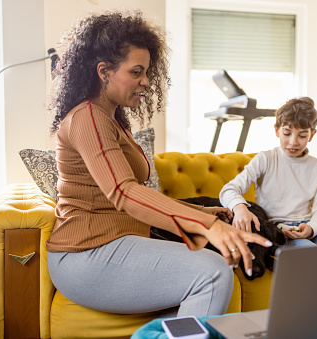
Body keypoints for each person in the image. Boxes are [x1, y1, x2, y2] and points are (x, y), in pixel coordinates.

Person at [45, 11, 272, 318]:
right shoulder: (88, 118)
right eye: (136, 72)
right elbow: (124, 192)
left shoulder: (109, 119)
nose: (146, 81)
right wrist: (208, 225)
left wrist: (201, 212)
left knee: (210, 270)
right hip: (85, 254)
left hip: (113, 242)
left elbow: (129, 194)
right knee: (213, 272)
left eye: (147, 72)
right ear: (104, 71)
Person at [219, 97, 317, 249]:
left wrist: (311, 228)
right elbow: (228, 190)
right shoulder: (265, 159)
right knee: (307, 251)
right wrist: (239, 207)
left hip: (308, 229)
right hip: (275, 231)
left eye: (302, 136)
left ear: (312, 135)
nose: (293, 142)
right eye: (287, 133)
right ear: (277, 130)